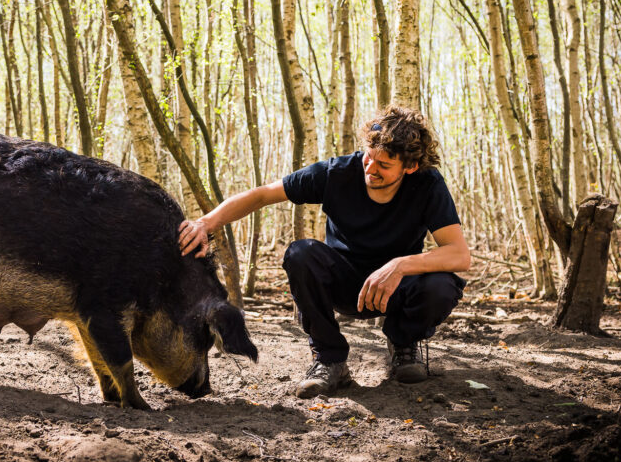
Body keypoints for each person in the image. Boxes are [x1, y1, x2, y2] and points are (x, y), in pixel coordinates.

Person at [179, 105, 470, 399]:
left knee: (441, 285)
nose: (370, 169)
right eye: (369, 157)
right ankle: (330, 360)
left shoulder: (428, 185)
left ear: (409, 167)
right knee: (300, 253)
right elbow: (263, 194)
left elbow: (459, 254)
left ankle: (404, 345)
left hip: (396, 291)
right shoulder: (337, 173)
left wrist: (399, 265)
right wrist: (205, 223)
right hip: (344, 286)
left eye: (384, 165)